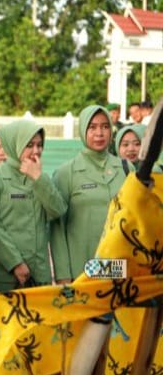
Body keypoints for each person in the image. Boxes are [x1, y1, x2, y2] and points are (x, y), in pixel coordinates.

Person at [0, 120, 66, 318]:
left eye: (40, 145)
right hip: (2, 277)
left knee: (35, 342)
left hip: (37, 276)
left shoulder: (40, 178)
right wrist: (15, 263)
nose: (36, 151)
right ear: (14, 145)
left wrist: (38, 179)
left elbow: (57, 210)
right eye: (29, 145)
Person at [51, 105, 126, 283]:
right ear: (83, 130)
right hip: (81, 270)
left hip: (118, 268)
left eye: (105, 126)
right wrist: (63, 276)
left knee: (116, 310)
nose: (99, 133)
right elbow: (57, 228)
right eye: (92, 127)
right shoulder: (66, 172)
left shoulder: (125, 168)